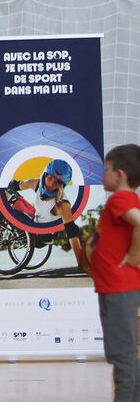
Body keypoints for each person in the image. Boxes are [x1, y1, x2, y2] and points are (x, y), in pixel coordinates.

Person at [79, 144, 140, 402]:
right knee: (125, 353)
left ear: (120, 175)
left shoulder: (119, 199)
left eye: (106, 169)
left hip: (118, 289)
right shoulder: (127, 199)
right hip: (117, 288)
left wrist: (136, 254)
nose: (102, 175)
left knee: (121, 355)